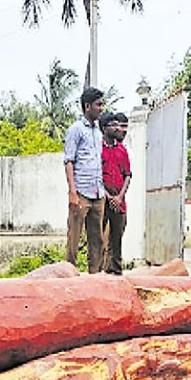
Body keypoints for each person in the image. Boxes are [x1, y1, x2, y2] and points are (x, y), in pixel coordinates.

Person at [64, 86, 105, 273]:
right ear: (87, 106)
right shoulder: (76, 129)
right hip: (81, 192)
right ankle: (68, 276)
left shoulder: (99, 131)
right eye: (98, 104)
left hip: (98, 193)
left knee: (97, 240)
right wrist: (73, 193)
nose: (101, 108)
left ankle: (94, 278)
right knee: (74, 239)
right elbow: (69, 161)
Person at [100, 111, 132, 275]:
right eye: (113, 125)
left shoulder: (122, 150)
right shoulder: (98, 149)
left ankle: (117, 271)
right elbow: (96, 176)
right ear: (105, 128)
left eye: (118, 125)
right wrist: (108, 196)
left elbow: (127, 175)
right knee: (99, 238)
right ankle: (99, 272)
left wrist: (119, 197)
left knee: (117, 237)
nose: (118, 128)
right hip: (102, 200)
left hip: (119, 202)